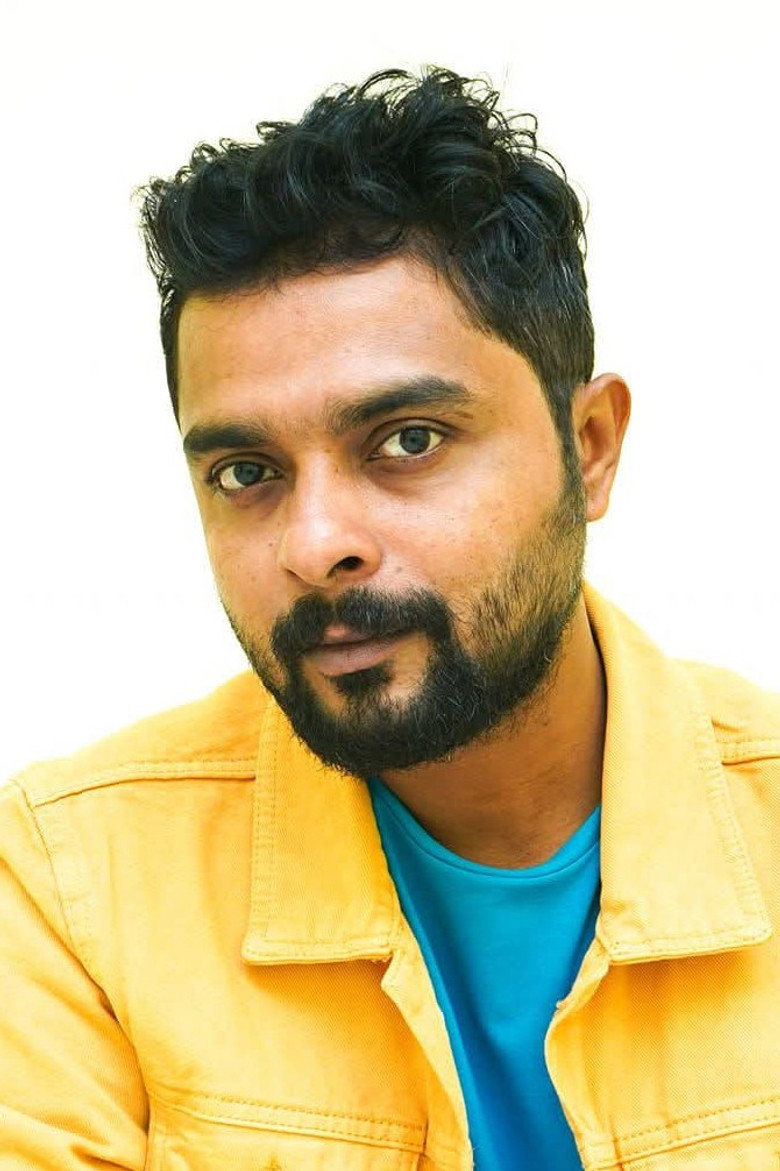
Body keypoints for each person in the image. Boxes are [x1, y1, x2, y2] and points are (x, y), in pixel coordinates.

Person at [2, 66, 779, 1171]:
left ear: (591, 448)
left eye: (408, 440)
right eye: (246, 471)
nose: (315, 543)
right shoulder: (74, 884)